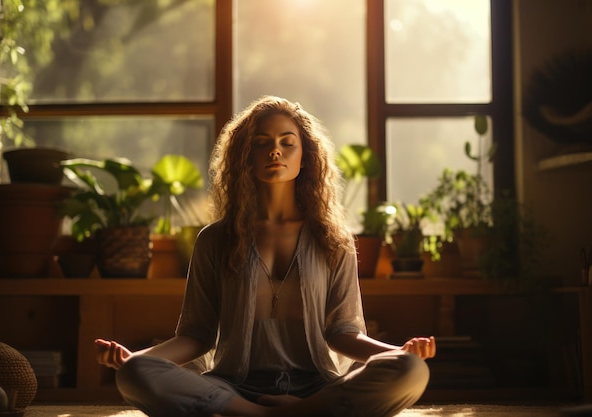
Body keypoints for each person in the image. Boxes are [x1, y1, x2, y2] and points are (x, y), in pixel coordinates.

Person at [95, 95, 436, 417]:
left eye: (287, 143)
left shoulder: (334, 239)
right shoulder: (214, 240)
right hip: (232, 387)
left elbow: (342, 332)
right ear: (245, 154)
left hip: (318, 386)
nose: (275, 151)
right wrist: (134, 358)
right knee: (135, 374)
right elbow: (197, 336)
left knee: (411, 371)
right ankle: (262, 414)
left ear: (306, 157)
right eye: (262, 142)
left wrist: (397, 354)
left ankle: (296, 410)